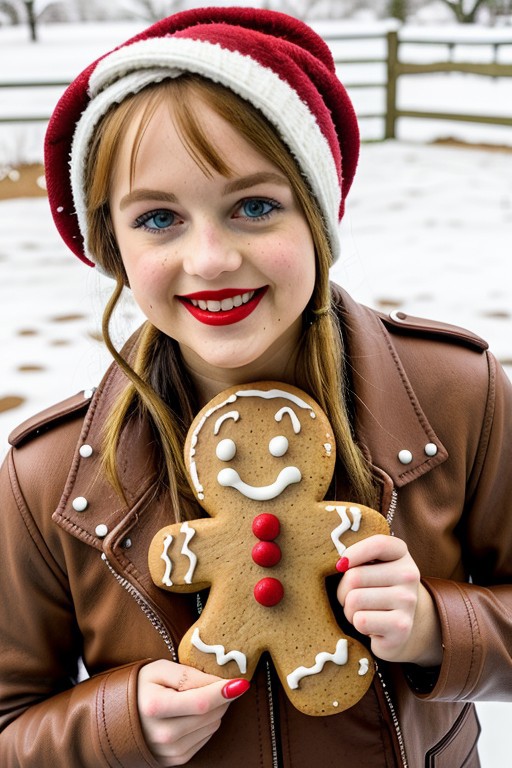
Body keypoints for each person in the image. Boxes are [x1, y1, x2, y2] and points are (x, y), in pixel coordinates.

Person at [0, 6, 511, 767]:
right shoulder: (49, 479)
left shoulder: (456, 396)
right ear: (113, 244)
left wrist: (440, 626)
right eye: (160, 218)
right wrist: (114, 725)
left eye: (254, 207)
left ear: (318, 214)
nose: (209, 260)